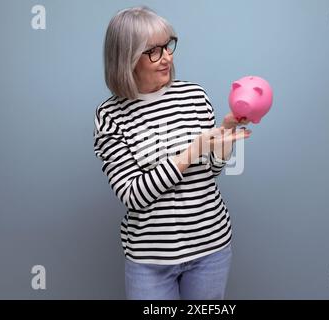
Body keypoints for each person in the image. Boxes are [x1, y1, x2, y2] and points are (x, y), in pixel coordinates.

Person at [93, 6, 251, 300]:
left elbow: (211, 171)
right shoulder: (110, 116)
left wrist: (225, 136)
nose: (167, 56)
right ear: (126, 57)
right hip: (150, 259)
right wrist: (191, 151)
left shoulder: (194, 96)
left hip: (210, 248)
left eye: (168, 45)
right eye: (153, 50)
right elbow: (133, 194)